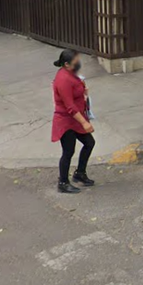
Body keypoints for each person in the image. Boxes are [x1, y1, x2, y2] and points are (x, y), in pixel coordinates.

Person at [51, 49, 96, 194]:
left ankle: (80, 173)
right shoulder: (63, 79)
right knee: (68, 151)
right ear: (66, 64)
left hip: (76, 118)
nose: (79, 64)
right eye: (76, 62)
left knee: (89, 143)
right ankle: (63, 182)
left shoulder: (70, 73)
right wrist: (84, 123)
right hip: (66, 121)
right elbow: (69, 106)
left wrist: (83, 93)